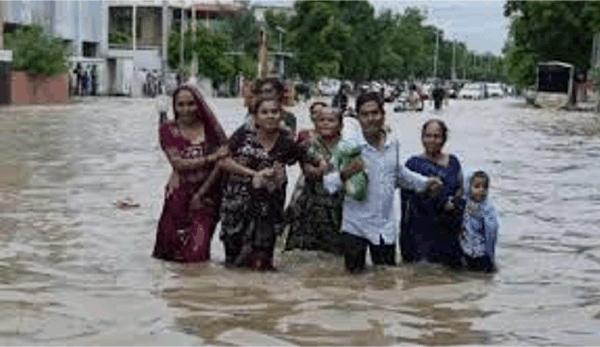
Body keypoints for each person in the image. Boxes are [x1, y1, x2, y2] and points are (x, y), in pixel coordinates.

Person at [324, 92, 443, 273]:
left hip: (384, 228)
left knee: (386, 284)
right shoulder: (348, 146)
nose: (371, 119)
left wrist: (425, 183)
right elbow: (328, 183)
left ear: (383, 114)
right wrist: (347, 172)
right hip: (355, 227)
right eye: (365, 114)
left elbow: (398, 174)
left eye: (375, 113)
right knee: (352, 285)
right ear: (358, 118)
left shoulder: (392, 143)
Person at [219, 95, 318, 270]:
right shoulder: (243, 134)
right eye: (264, 112)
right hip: (237, 209)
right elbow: (223, 160)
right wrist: (253, 174)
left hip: (269, 211)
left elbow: (305, 160)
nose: (270, 116)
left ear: (281, 116)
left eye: (275, 112)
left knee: (262, 266)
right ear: (255, 117)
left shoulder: (286, 142)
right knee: (234, 267)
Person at [152, 85, 229, 262]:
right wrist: (211, 158)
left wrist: (202, 193)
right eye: (181, 105)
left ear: (199, 104)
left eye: (191, 104)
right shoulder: (168, 129)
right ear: (175, 107)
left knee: (197, 254)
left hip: (208, 196)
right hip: (178, 196)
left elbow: (224, 159)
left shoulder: (211, 129)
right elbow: (178, 163)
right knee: (170, 252)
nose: (186, 109)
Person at [400, 119, 465, 268]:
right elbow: (407, 201)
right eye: (428, 136)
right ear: (422, 138)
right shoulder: (413, 164)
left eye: (437, 136)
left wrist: (454, 204)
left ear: (444, 139)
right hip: (421, 230)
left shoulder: (453, 162)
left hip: (448, 228)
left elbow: (460, 189)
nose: (432, 140)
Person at [285, 107, 345, 255]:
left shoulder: (349, 146)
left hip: (340, 207)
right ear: (315, 124)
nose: (325, 124)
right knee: (304, 255)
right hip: (310, 207)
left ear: (340, 125)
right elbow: (309, 172)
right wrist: (327, 170)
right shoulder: (308, 145)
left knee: (337, 256)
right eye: (321, 120)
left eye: (331, 120)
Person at [459, 170, 500, 272]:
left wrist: (491, 257)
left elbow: (491, 233)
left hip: (480, 253)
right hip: (464, 250)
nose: (481, 190)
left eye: (484, 187)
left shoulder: (488, 209)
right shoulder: (465, 202)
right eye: (477, 186)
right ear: (469, 187)